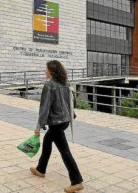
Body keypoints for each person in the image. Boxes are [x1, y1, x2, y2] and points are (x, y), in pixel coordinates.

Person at [30, 60, 84, 193]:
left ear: (52, 71)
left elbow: (44, 108)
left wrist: (38, 126)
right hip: (66, 120)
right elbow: (74, 102)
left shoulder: (49, 85)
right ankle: (40, 169)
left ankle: (77, 181)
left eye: (46, 69)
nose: (45, 71)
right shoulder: (66, 83)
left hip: (56, 122)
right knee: (47, 141)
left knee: (64, 151)